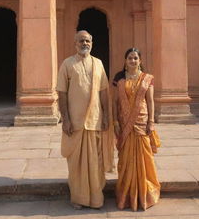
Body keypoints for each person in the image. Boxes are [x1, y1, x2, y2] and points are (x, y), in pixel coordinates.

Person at [57, 30, 114, 209]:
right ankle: (79, 198)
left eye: (88, 41)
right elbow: (62, 92)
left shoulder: (98, 64)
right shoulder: (67, 64)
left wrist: (106, 115)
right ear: (75, 43)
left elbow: (104, 91)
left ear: (92, 43)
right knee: (76, 163)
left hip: (95, 120)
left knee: (96, 162)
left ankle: (96, 199)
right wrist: (65, 119)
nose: (85, 44)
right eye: (81, 41)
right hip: (75, 121)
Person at [112, 48, 161, 211]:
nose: (133, 61)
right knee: (125, 159)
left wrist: (151, 122)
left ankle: (146, 193)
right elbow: (115, 102)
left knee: (144, 157)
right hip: (124, 123)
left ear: (140, 60)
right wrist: (115, 122)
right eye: (130, 58)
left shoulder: (147, 78)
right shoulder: (119, 78)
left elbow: (150, 101)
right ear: (125, 61)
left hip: (142, 122)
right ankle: (127, 196)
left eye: (135, 58)